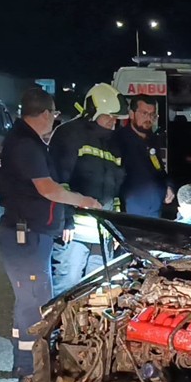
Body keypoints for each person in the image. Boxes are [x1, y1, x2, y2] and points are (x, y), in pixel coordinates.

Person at [0, 87, 100, 381]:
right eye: (53, 113)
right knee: (35, 303)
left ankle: (25, 363)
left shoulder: (26, 141)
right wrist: (84, 201)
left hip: (30, 234)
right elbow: (48, 189)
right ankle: (30, 368)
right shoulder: (26, 145)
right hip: (26, 236)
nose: (54, 118)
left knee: (29, 301)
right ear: (43, 114)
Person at [50, 82, 127, 288]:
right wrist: (66, 219)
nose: (113, 121)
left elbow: (116, 189)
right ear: (94, 111)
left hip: (103, 233)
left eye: (116, 117)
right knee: (68, 286)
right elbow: (59, 181)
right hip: (74, 233)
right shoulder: (70, 135)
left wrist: (116, 227)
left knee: (98, 290)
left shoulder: (113, 142)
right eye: (109, 116)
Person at [117, 96, 175, 218]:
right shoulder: (119, 139)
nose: (149, 118)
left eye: (152, 115)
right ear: (131, 114)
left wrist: (169, 185)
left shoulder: (153, 139)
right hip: (130, 212)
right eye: (144, 113)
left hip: (155, 210)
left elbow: (159, 168)